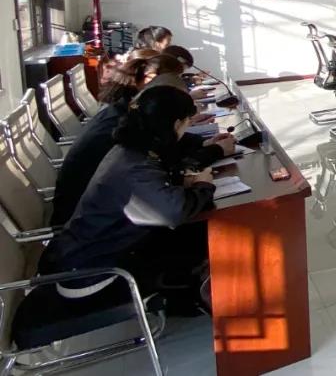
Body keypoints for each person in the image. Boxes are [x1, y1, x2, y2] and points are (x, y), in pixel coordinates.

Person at [29, 87, 219, 320]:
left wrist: (182, 182)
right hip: (93, 276)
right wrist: (203, 185)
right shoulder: (134, 167)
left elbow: (152, 191)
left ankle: (204, 289)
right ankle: (212, 295)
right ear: (176, 123)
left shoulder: (128, 149)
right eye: (187, 123)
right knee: (203, 234)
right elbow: (173, 212)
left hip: (87, 257)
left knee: (193, 234)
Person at [52, 55, 228, 226]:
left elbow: (165, 165)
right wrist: (203, 184)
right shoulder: (123, 143)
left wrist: (185, 174)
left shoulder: (132, 131)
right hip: (89, 225)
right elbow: (171, 210)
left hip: (104, 221)